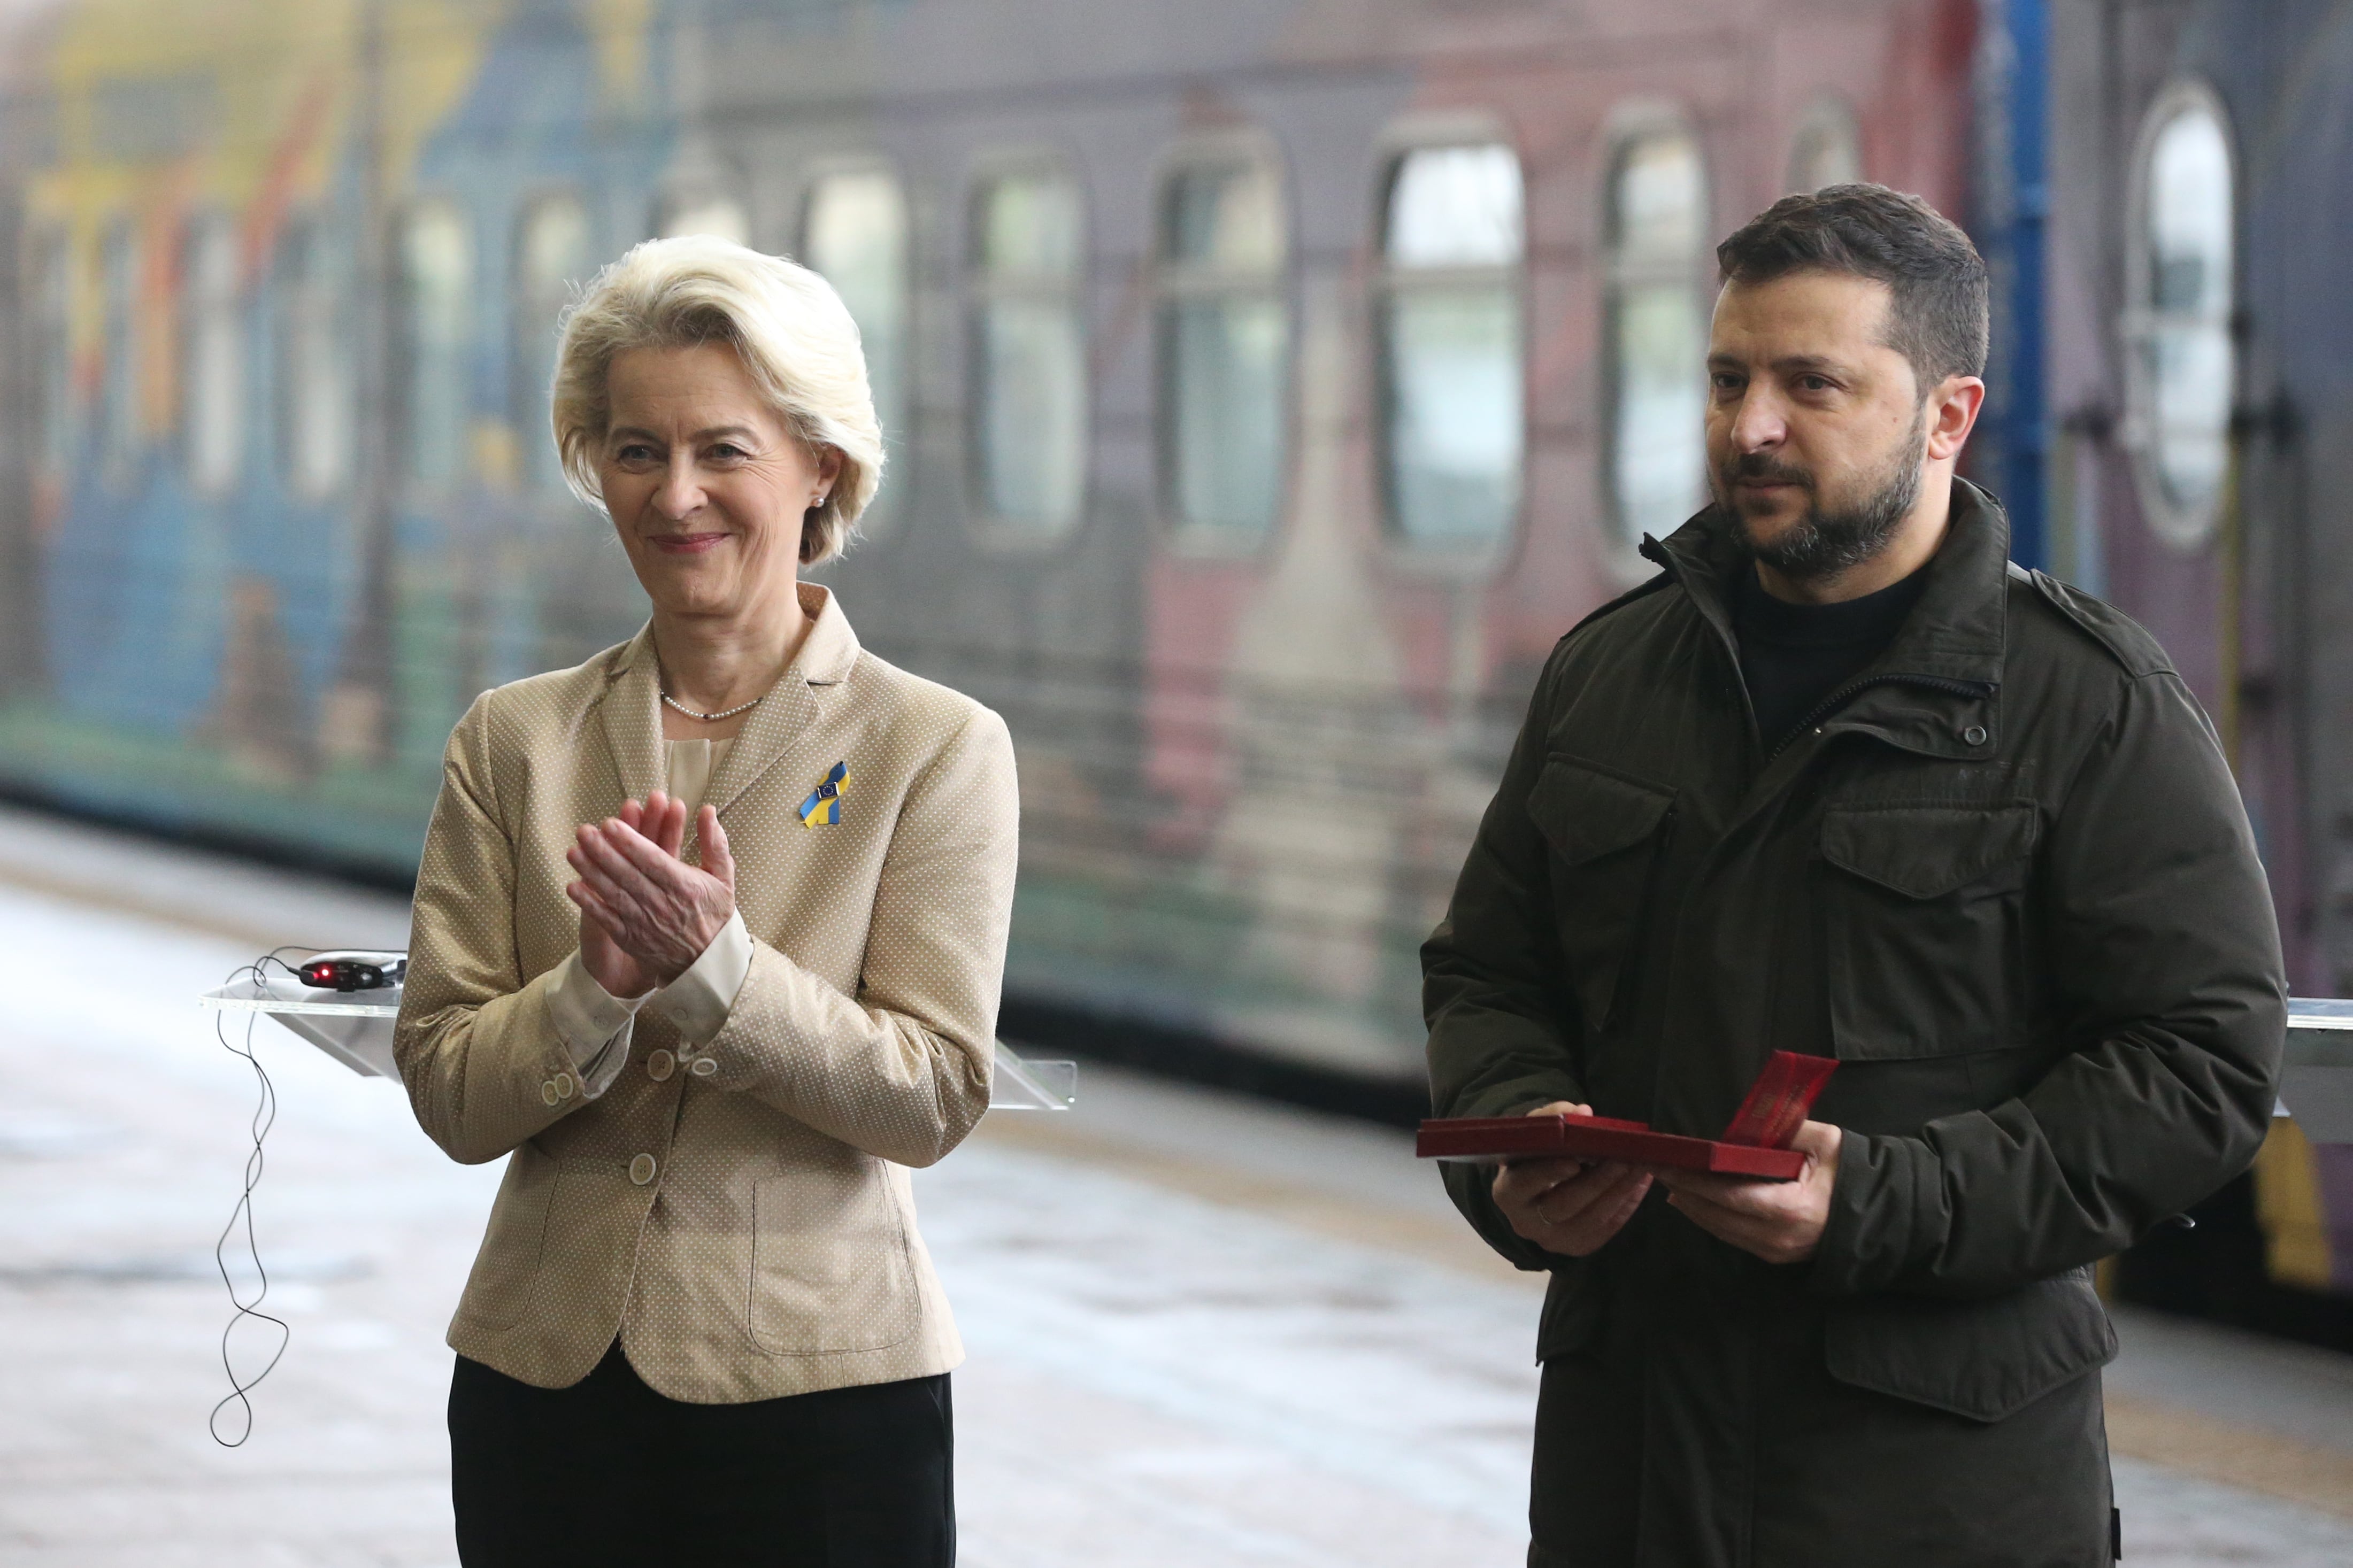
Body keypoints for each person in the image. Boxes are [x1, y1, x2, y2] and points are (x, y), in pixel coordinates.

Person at [1422, 185, 2283, 1567]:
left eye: (1809, 382)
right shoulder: (1610, 674)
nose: (1749, 424)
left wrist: (1884, 1196)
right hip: (1626, 1474)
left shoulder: (2087, 703)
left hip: (1931, 1493)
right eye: (1727, 377)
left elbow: (2202, 1063)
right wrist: (1515, 1130)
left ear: (1948, 414)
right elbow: (1487, 968)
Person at [394, 234, 1018, 1568]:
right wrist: (588, 992)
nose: (675, 496)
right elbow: (449, 1090)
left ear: (821, 469)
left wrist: (713, 970)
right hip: (542, 1389)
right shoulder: (516, 741)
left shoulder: (936, 747)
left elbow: (930, 1094)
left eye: (723, 450)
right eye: (634, 450)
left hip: (824, 1403)